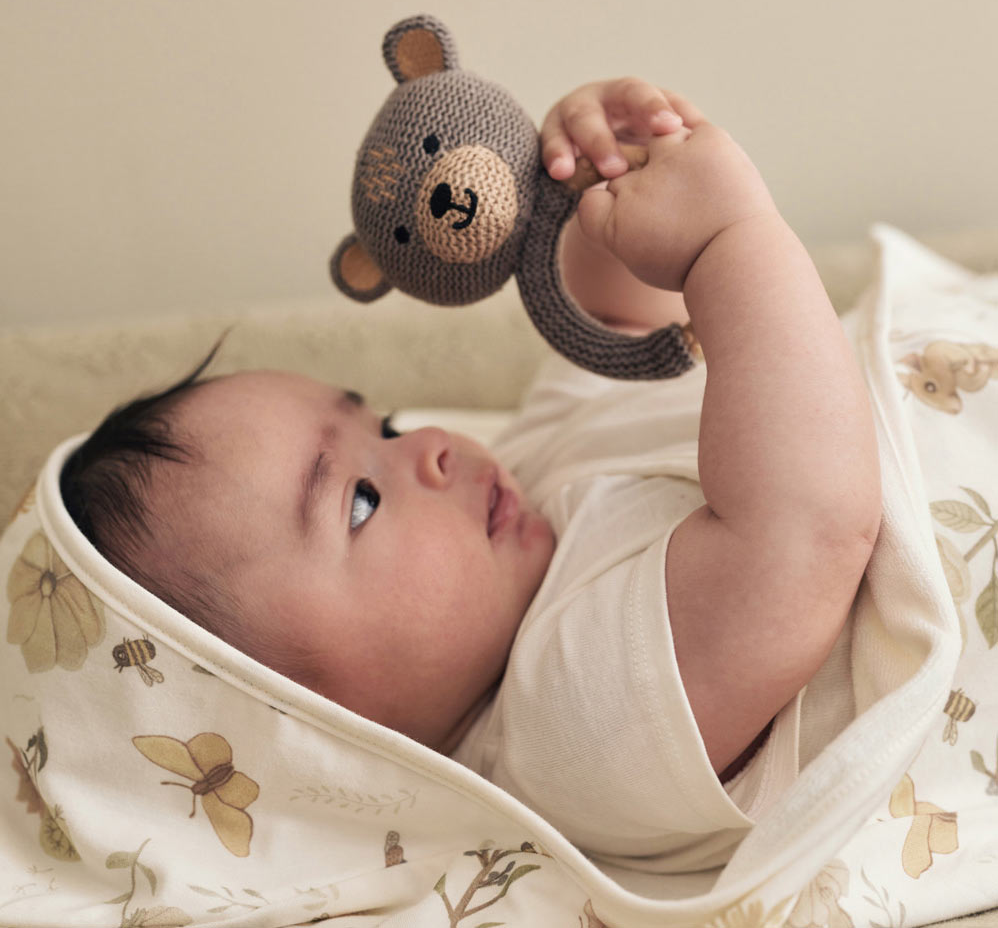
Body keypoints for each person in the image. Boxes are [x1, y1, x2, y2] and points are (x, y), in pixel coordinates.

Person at [58, 78, 881, 867]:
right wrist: (727, 243)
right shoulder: (569, 726)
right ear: (307, 729)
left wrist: (600, 192)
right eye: (360, 503)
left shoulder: (529, 469)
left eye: (382, 425)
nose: (433, 446)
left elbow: (626, 319)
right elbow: (806, 531)